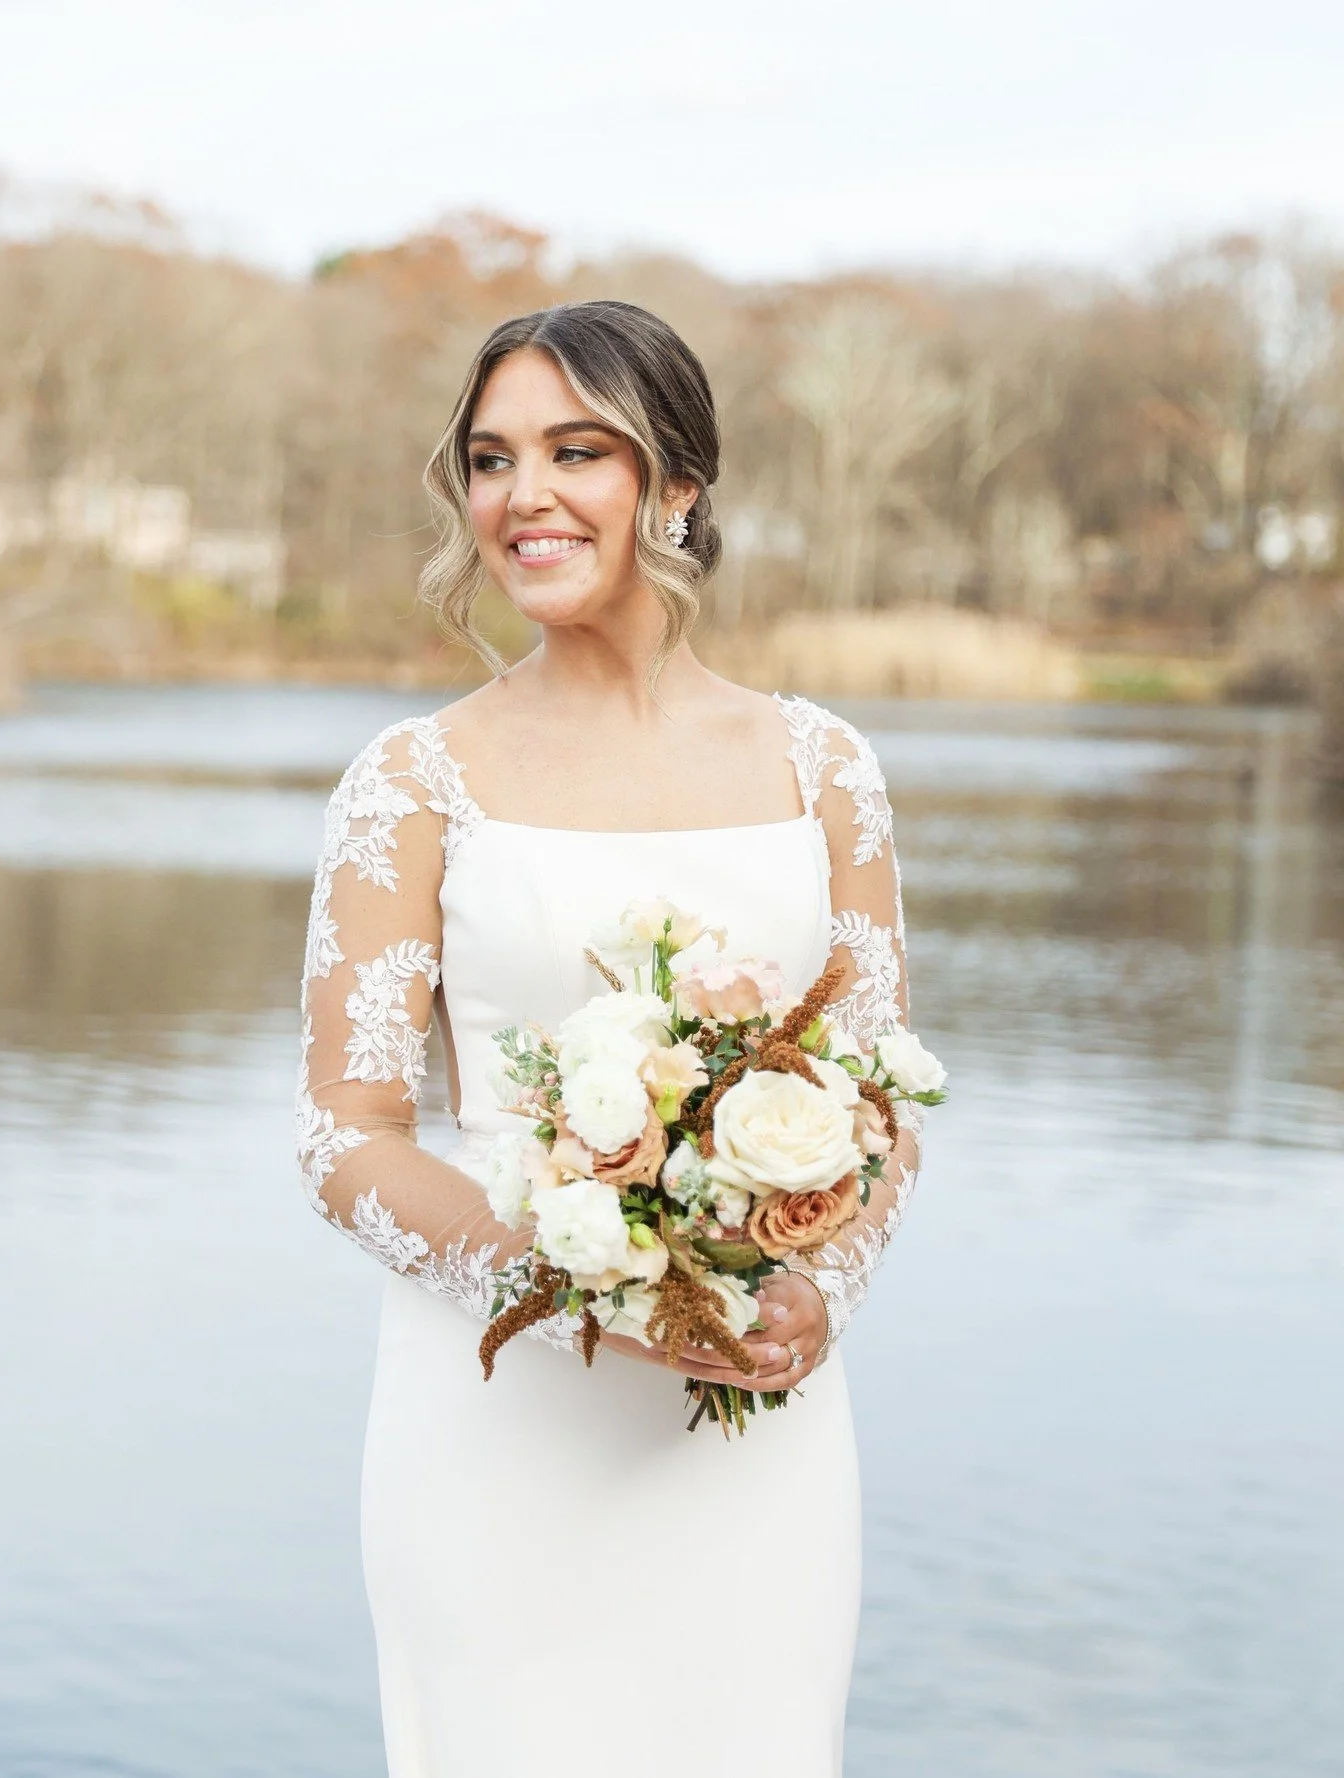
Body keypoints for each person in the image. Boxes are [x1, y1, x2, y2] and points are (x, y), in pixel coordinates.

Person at [295, 301, 923, 1776]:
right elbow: (346, 1130)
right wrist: (573, 1280)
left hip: (753, 1432)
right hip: (499, 1409)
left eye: (578, 450)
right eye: (493, 457)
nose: (526, 494)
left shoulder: (823, 766)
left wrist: (818, 1286)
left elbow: (883, 1091)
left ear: (677, 484)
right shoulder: (414, 781)